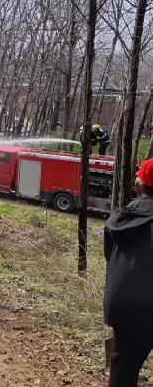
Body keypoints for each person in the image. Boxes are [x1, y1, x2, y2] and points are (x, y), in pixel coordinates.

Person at [104, 158, 153, 385]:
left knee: (123, 370)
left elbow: (109, 257)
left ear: (138, 187)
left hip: (124, 308)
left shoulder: (118, 218)